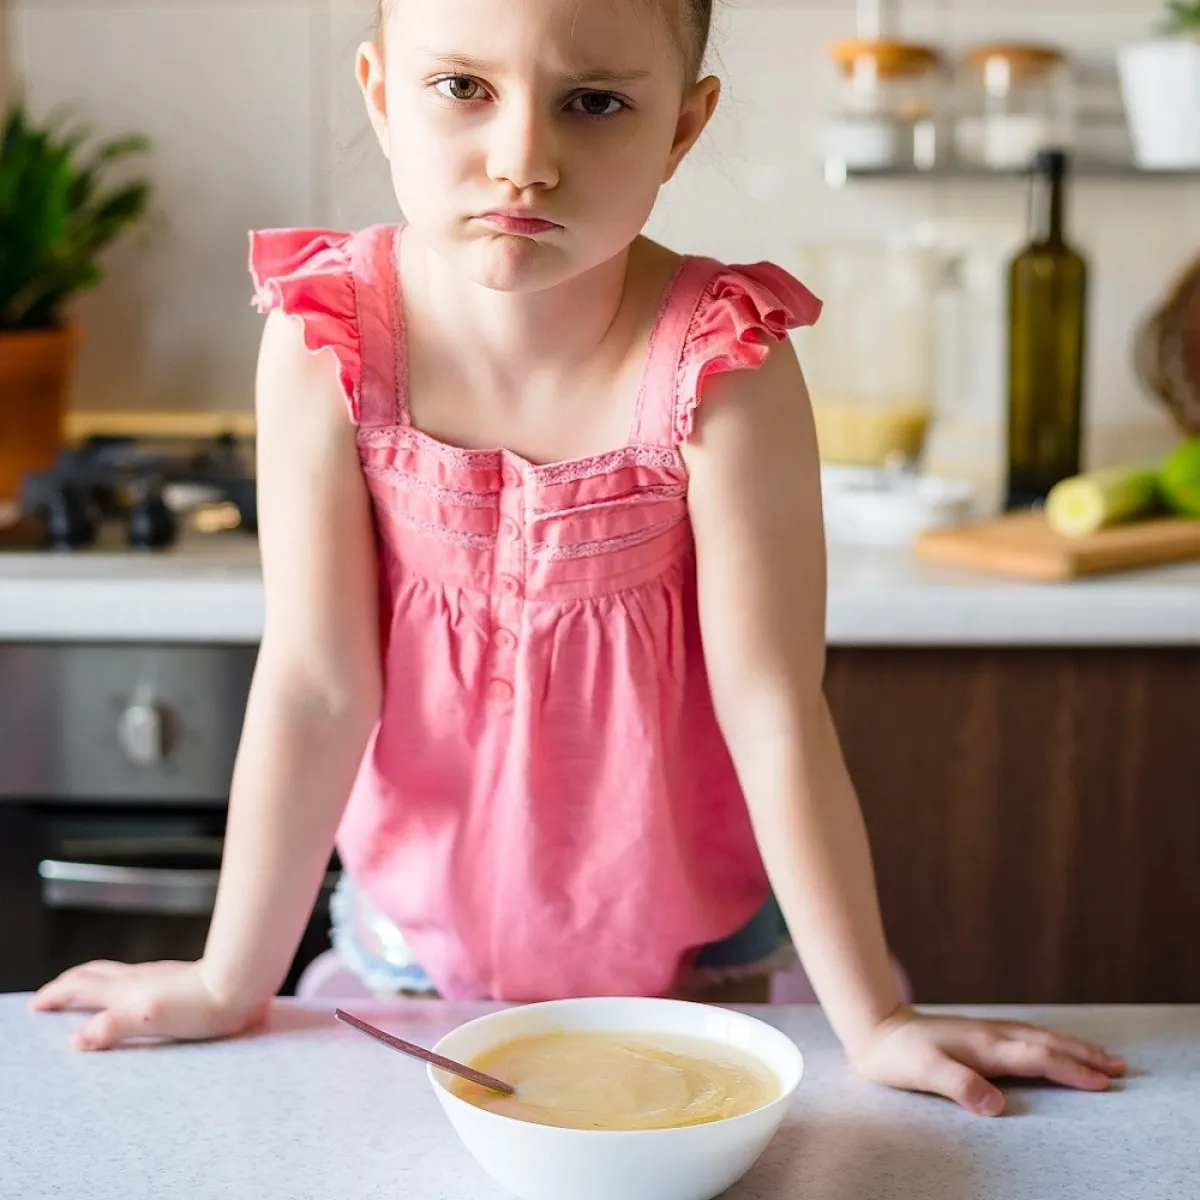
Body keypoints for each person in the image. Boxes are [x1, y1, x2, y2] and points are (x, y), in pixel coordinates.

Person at [33, 0, 1124, 1117]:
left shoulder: (724, 361)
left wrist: (877, 1023)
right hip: (419, 941)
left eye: (594, 102)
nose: (524, 164)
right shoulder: (325, 338)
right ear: (380, 92)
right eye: (464, 88)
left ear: (683, 129)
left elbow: (774, 711)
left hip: (702, 950)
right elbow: (316, 687)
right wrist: (229, 977)